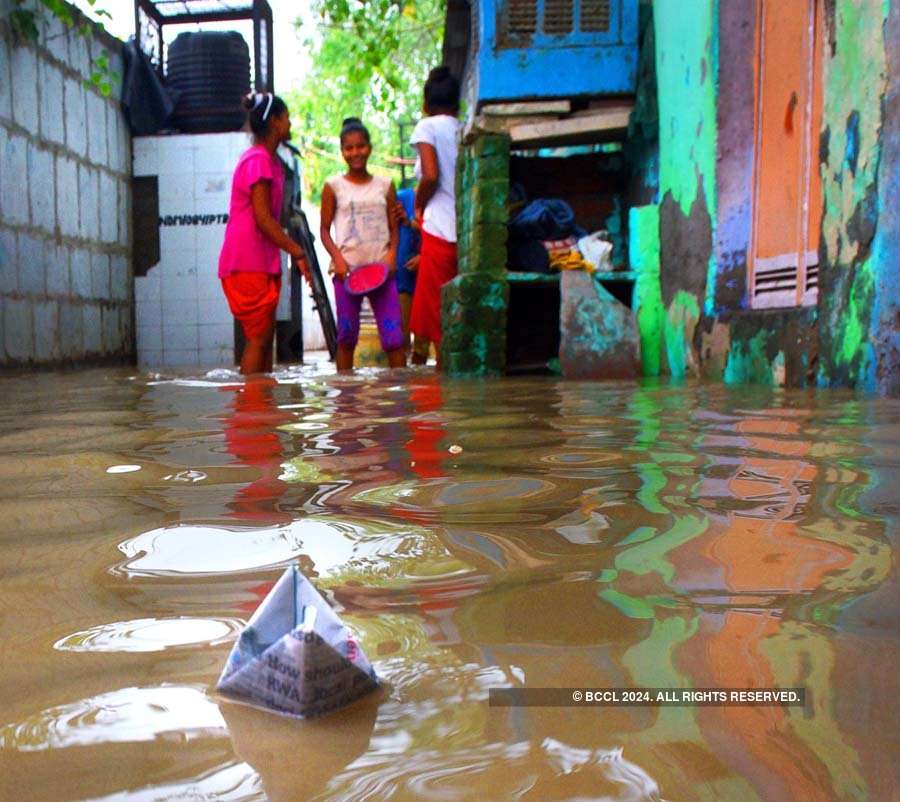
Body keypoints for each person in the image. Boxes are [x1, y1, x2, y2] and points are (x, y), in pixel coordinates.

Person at [219, 92, 309, 374]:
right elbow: (263, 219)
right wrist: (297, 251)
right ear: (275, 122)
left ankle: (260, 410)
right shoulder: (258, 161)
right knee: (258, 340)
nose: (291, 122)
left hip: (258, 262)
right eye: (287, 117)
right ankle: (250, 412)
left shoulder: (267, 161)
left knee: (262, 339)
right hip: (247, 262)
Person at [320, 117, 405, 371]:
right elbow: (324, 230)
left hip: (382, 271)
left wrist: (392, 256)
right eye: (349, 148)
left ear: (369, 147)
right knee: (346, 338)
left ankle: (400, 399)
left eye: (361, 146)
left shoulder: (386, 185)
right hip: (347, 274)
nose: (355, 153)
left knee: (394, 339)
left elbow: (394, 227)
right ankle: (346, 403)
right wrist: (338, 258)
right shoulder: (333, 187)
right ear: (342, 151)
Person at [408, 66, 461, 371]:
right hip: (463, 232)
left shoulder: (427, 127)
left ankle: (440, 391)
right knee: (451, 310)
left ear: (427, 104)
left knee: (436, 313)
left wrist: (418, 204)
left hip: (439, 230)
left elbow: (430, 174)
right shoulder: (463, 127)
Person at [394, 187, 431, 364]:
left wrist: (425, 256)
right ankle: (405, 384)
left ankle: (417, 383)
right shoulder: (401, 198)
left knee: (423, 340)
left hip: (429, 274)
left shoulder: (441, 202)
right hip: (402, 276)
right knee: (399, 338)